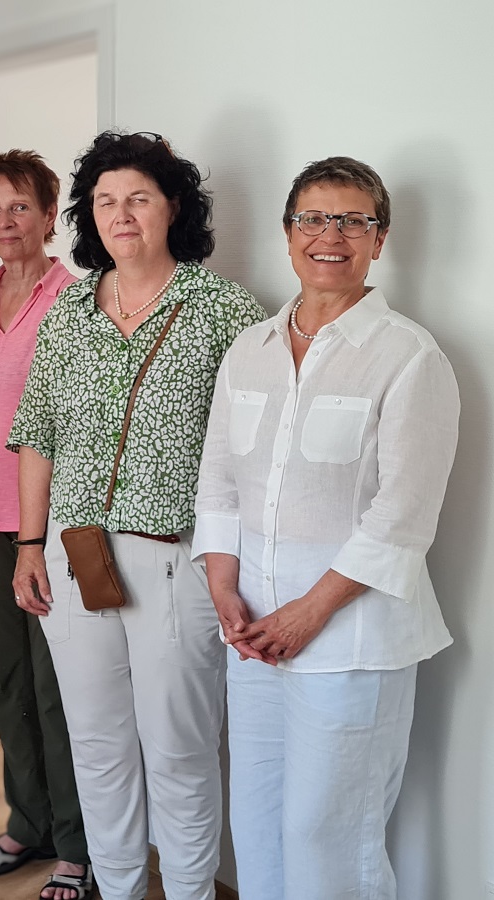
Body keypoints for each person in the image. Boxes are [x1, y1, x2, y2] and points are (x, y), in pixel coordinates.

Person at [8, 131, 266, 900]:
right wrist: (29, 544)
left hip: (175, 558)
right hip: (74, 552)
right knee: (97, 743)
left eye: (139, 198)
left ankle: (187, 892)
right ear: (90, 215)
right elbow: (37, 433)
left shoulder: (223, 310)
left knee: (181, 748)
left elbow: (250, 450)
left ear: (173, 209)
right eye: (106, 201)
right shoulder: (68, 313)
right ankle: (117, 888)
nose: (121, 214)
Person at [193, 157, 458, 899]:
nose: (330, 235)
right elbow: (218, 478)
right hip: (253, 637)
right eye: (313, 218)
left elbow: (403, 516)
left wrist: (311, 611)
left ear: (380, 239)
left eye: (353, 220)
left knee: (330, 831)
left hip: (352, 642)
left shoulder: (409, 356)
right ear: (287, 234)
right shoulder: (250, 349)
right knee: (258, 820)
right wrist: (223, 585)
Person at [0, 150, 88, 900]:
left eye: (21, 207)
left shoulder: (77, 298)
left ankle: (76, 843)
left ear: (47, 214)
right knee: (7, 684)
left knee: (58, 686)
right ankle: (27, 821)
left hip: (49, 523)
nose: (7, 222)